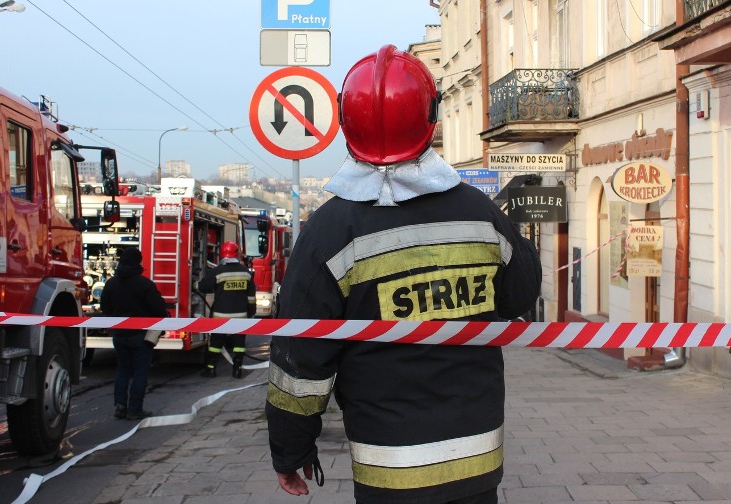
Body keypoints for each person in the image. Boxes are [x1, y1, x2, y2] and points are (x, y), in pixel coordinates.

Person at [265, 45, 542, 504]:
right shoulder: (478, 212)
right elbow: (520, 295)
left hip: (391, 469)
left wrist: (289, 449)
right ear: (429, 118)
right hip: (476, 460)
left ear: (345, 122)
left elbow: (301, 360)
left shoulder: (330, 230)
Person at [100, 246, 167, 420]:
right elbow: (159, 309)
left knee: (122, 370)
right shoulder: (144, 284)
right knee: (140, 372)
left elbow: (104, 307)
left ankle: (120, 406)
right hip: (141, 336)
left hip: (120, 335)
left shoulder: (111, 284)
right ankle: (135, 409)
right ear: (138, 262)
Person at [197, 240, 256, 378]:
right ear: (237, 254)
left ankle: (211, 369)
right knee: (239, 344)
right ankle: (237, 369)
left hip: (220, 315)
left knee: (215, 343)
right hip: (241, 316)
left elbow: (203, 287)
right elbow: (251, 298)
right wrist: (251, 314)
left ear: (223, 254)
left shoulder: (218, 271)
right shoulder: (246, 273)